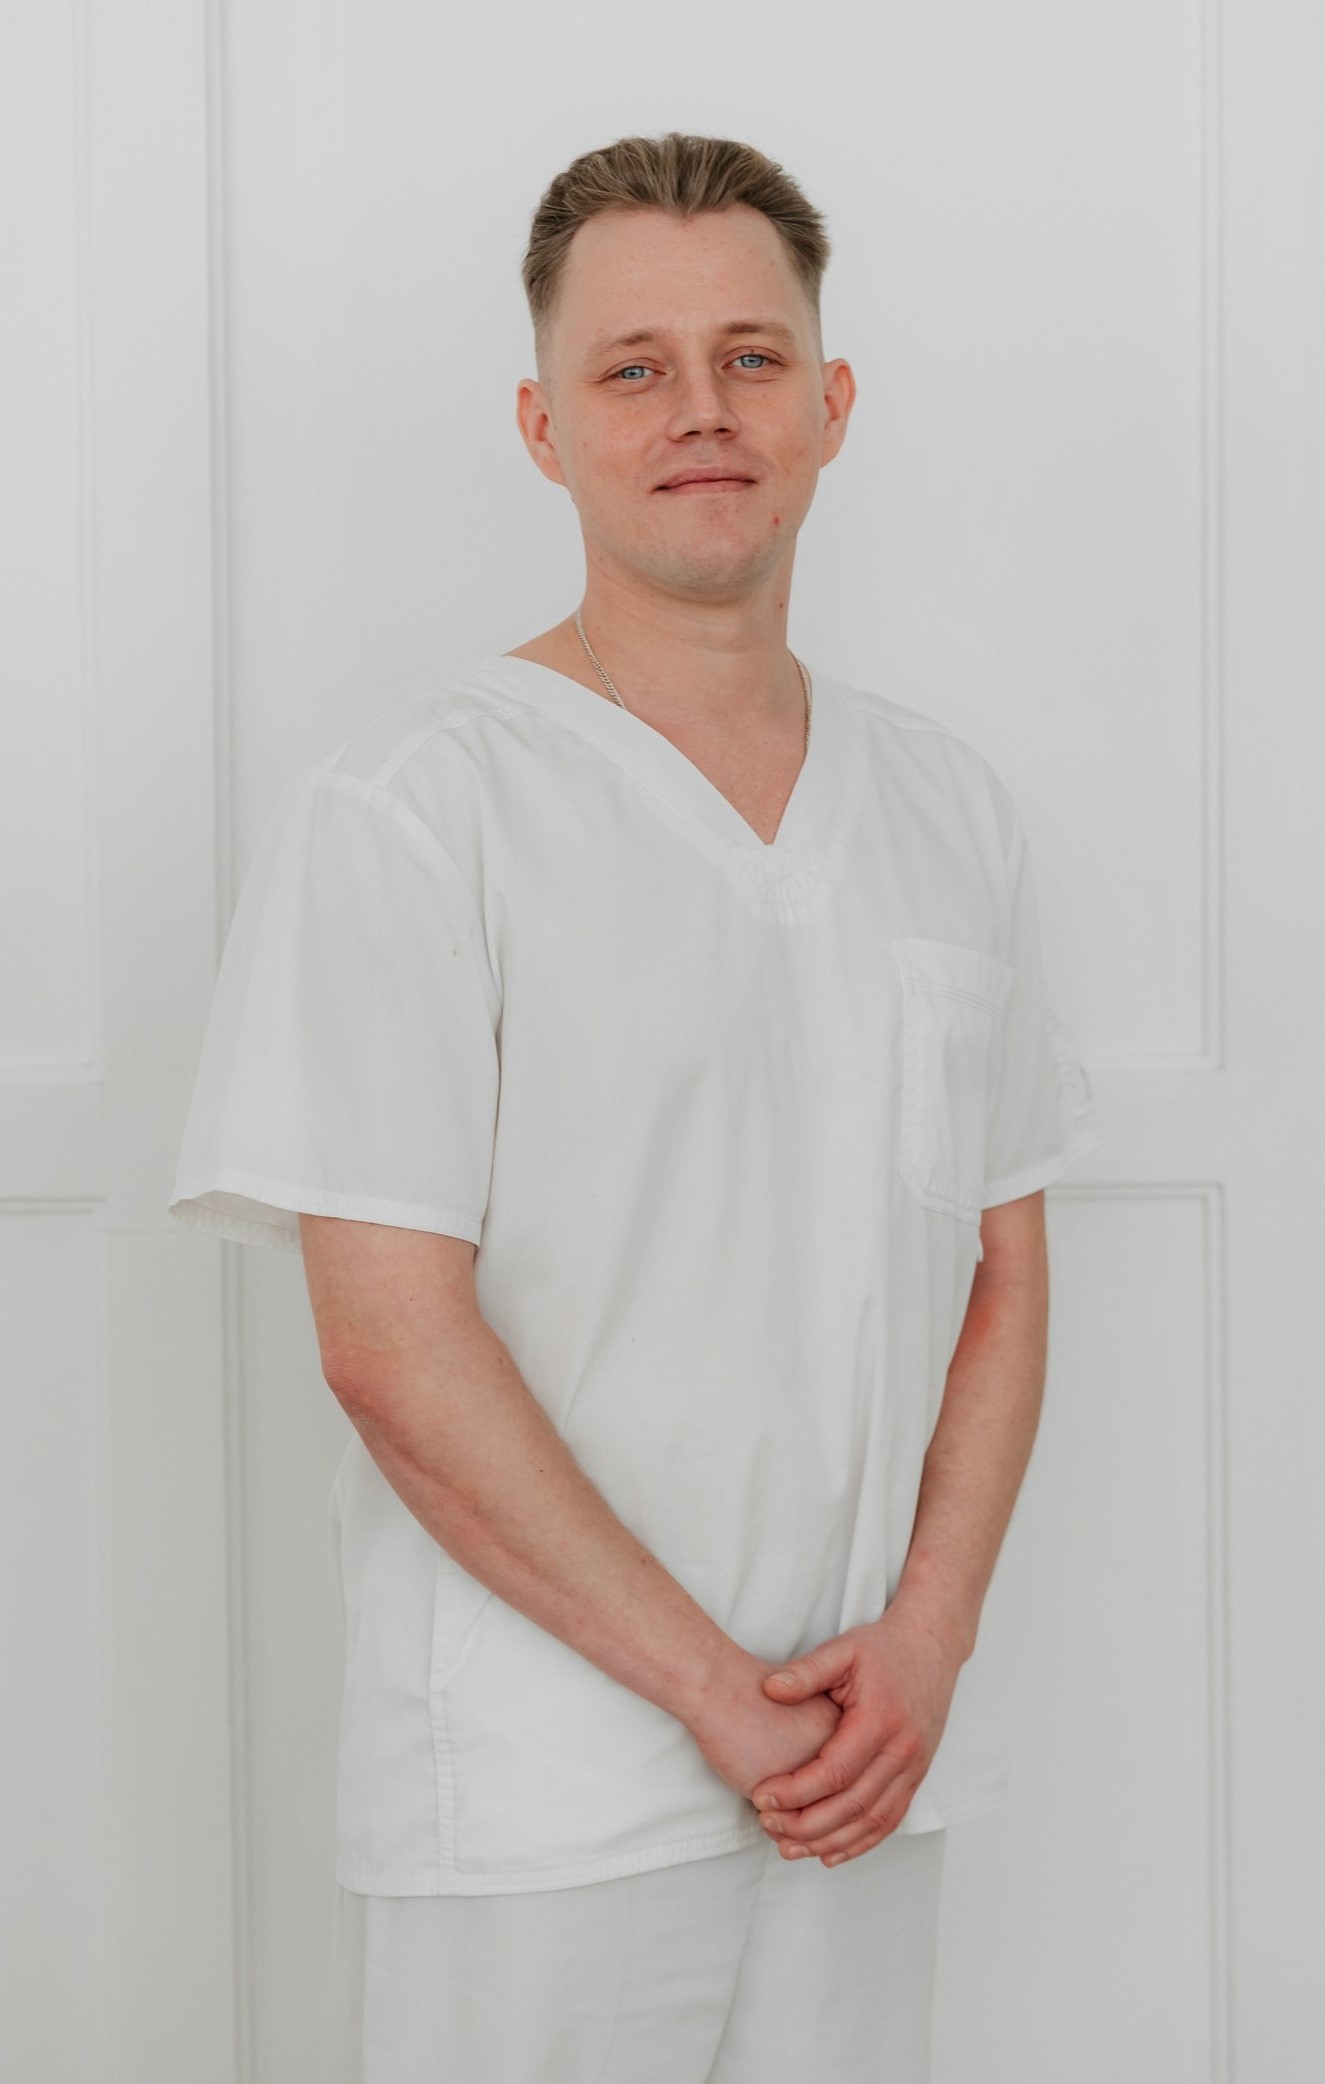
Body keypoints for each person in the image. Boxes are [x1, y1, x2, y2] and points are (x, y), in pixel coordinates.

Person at [169, 130, 1104, 2082]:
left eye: (752, 357)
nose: (702, 411)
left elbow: (1004, 1268)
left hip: (865, 1764)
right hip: (541, 1800)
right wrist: (710, 1694)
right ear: (543, 425)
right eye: (633, 368)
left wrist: (924, 1639)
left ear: (832, 403)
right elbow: (386, 1344)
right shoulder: (415, 810)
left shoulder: (948, 811)